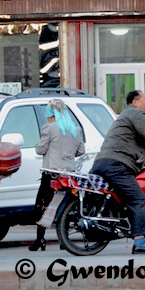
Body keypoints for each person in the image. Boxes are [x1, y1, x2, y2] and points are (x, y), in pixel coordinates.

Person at [90, 90, 145, 254]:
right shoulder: (135, 114)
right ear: (135, 101)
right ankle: (140, 242)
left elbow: (144, 140)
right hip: (116, 164)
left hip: (104, 162)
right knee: (139, 199)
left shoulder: (126, 117)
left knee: (128, 196)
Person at [31, 99, 85, 251]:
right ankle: (63, 240)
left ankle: (40, 239)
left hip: (52, 174)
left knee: (41, 204)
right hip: (69, 174)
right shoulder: (75, 129)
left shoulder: (49, 128)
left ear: (51, 113)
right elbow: (81, 151)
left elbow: (40, 150)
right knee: (66, 206)